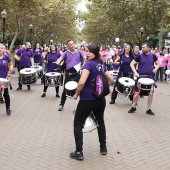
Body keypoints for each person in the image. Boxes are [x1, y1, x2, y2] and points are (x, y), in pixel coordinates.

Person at [69, 44, 113, 160]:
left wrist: (77, 93)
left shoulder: (88, 64)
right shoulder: (101, 64)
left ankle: (79, 152)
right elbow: (111, 79)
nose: (87, 53)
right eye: (86, 51)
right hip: (100, 100)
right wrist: (102, 90)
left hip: (87, 100)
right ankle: (103, 148)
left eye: (89, 51)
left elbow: (81, 82)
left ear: (95, 52)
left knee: (78, 124)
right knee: (100, 122)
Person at [128, 42, 159, 115]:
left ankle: (149, 109)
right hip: (140, 77)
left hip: (150, 77)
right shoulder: (139, 56)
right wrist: (135, 72)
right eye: (142, 47)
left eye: (144, 47)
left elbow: (158, 64)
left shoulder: (153, 56)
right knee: (136, 93)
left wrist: (155, 69)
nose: (142, 49)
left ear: (148, 48)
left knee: (151, 93)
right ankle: (133, 106)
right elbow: (131, 64)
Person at [56, 40, 86, 111]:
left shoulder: (79, 52)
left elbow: (85, 58)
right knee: (65, 89)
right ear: (68, 46)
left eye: (73, 44)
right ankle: (61, 104)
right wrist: (58, 62)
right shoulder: (66, 53)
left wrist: (85, 63)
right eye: (70, 44)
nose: (72, 45)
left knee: (80, 89)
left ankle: (82, 105)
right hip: (68, 73)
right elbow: (59, 59)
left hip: (77, 73)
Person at [0, 43, 13, 115]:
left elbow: (11, 64)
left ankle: (8, 108)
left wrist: (10, 70)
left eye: (1, 48)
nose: (0, 49)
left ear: (3, 49)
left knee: (6, 94)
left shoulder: (6, 57)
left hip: (4, 78)